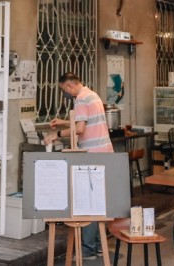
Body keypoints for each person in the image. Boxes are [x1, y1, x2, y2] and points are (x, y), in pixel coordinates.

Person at [43, 72, 113, 259]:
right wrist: (64, 122)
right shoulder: (92, 95)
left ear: (69, 85)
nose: (65, 93)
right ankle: (99, 246)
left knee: (88, 203)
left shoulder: (80, 99)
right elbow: (84, 122)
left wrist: (56, 135)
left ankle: (88, 249)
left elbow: (80, 129)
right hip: (105, 153)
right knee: (99, 202)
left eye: (63, 90)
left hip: (92, 156)